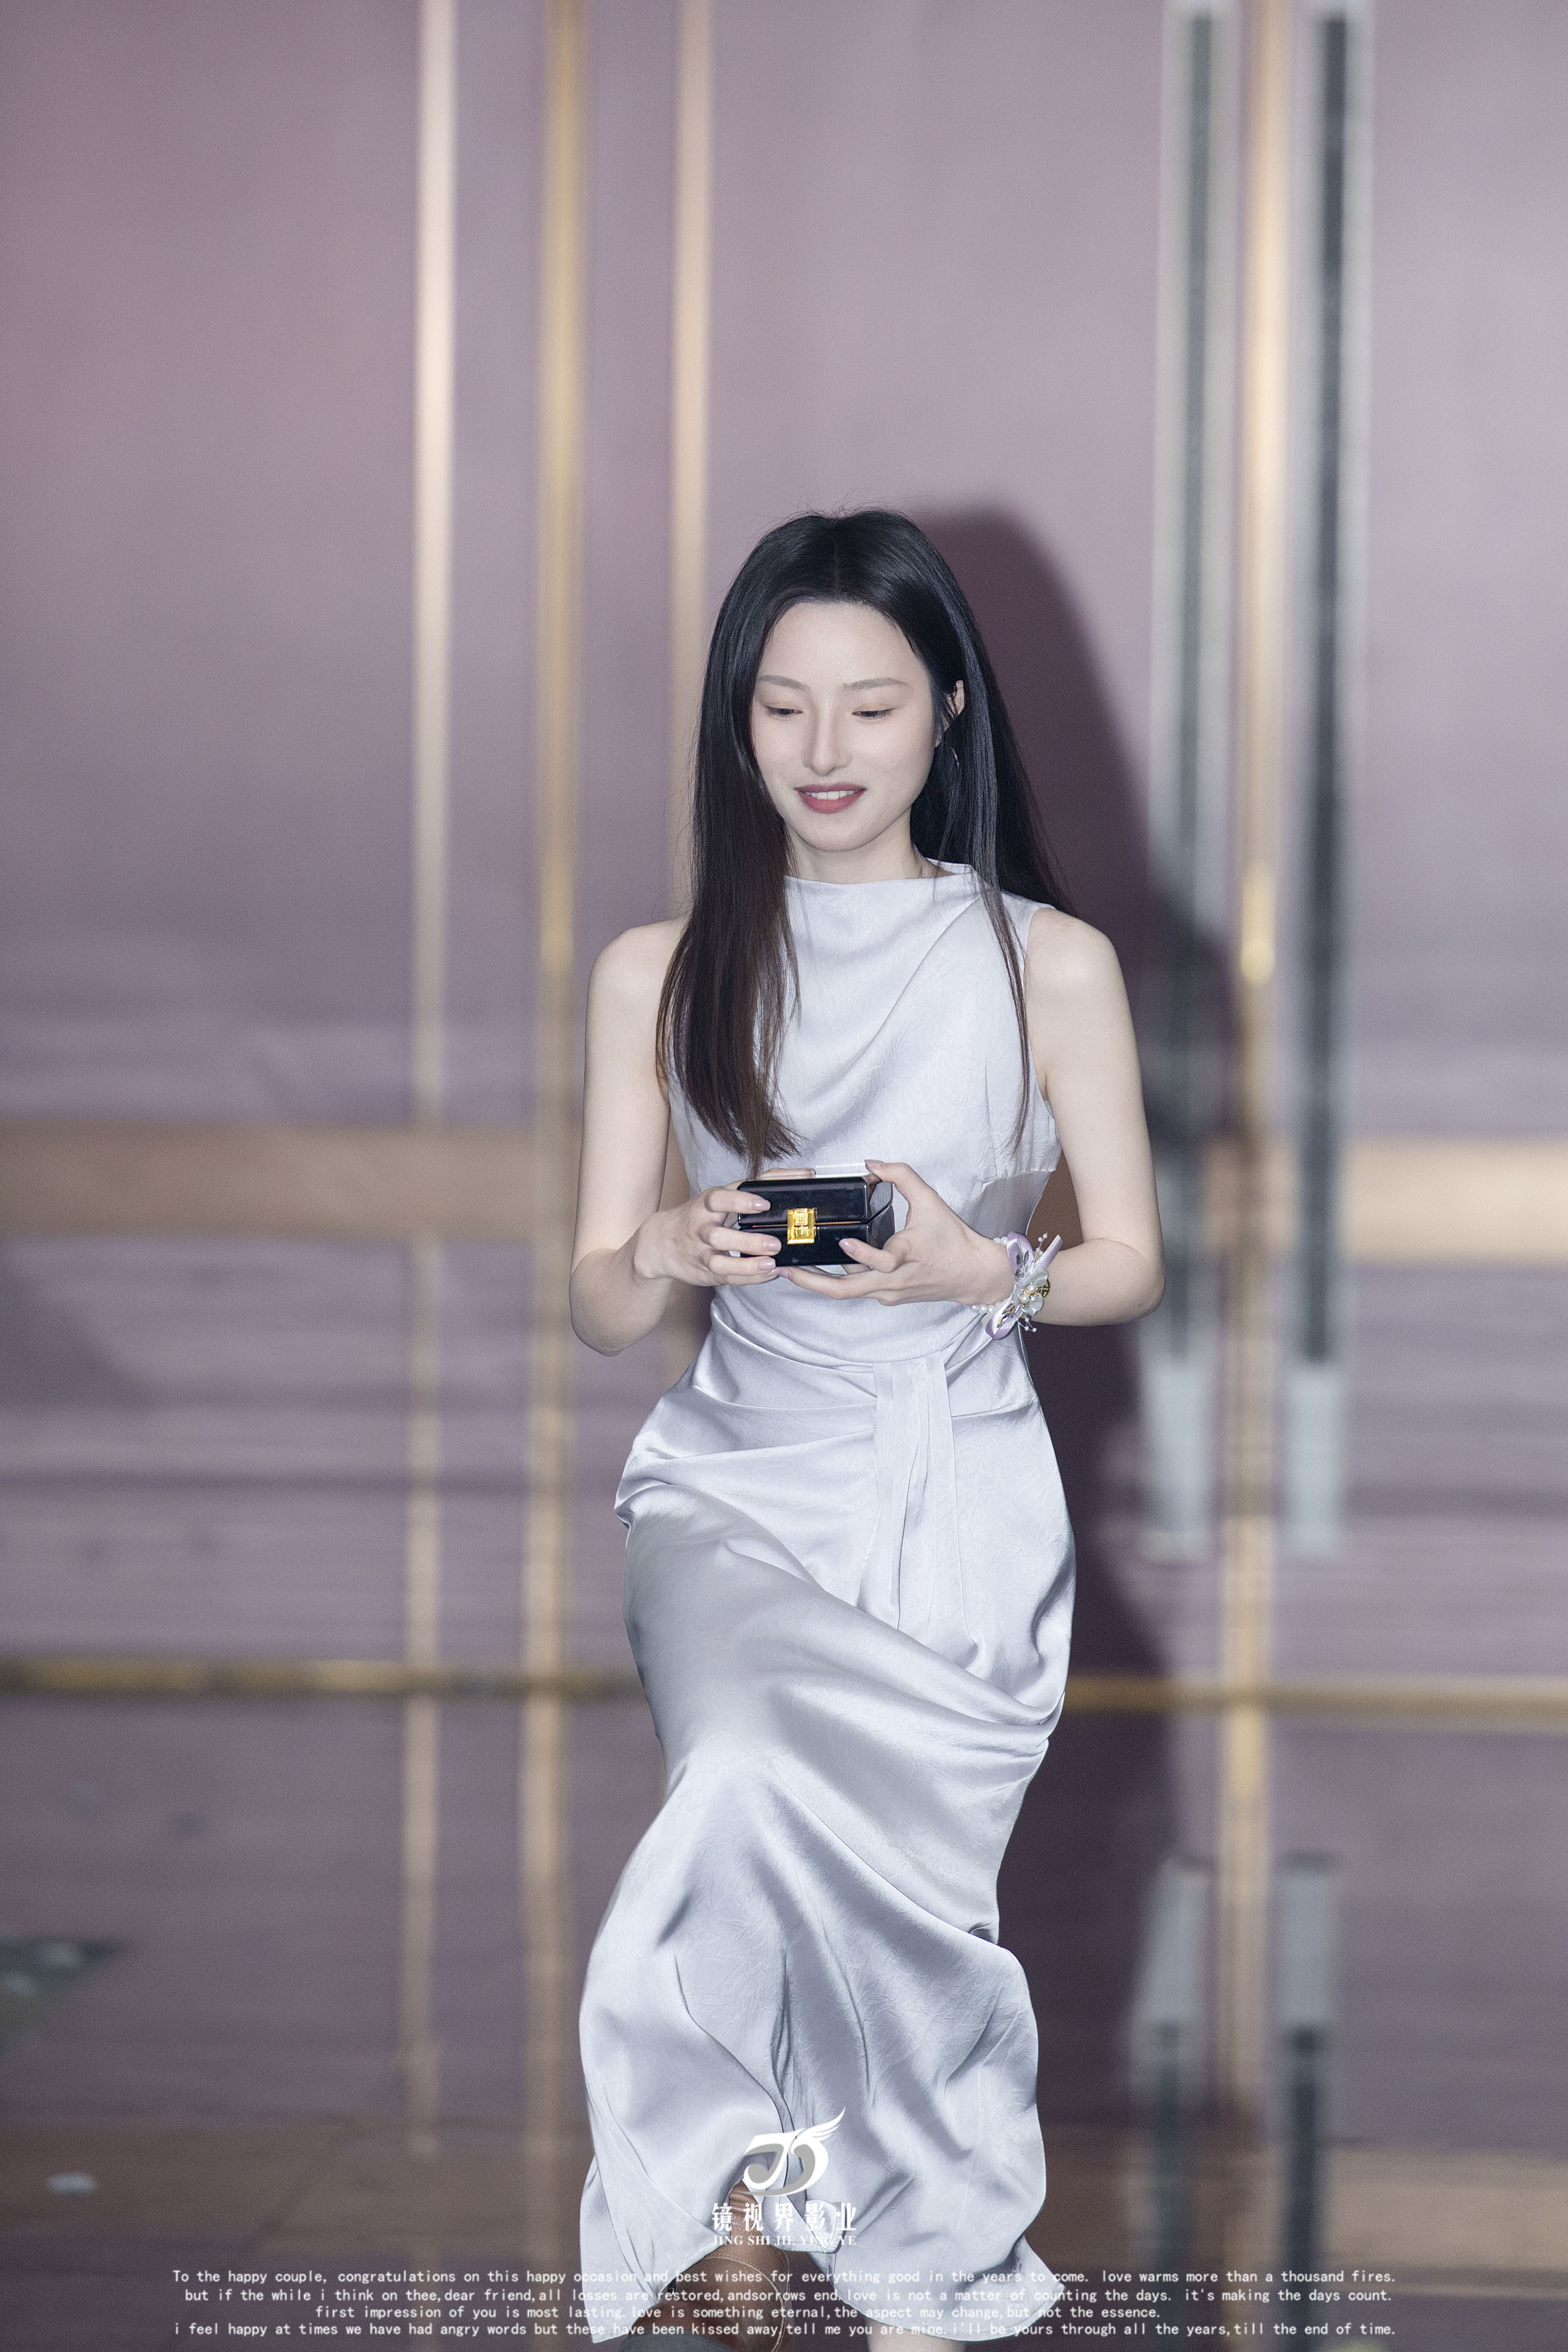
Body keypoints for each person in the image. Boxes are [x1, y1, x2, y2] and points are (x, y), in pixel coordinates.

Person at [569, 509, 1164, 2350]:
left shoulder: (1045, 963)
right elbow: (598, 1297)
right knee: (739, 1781)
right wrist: (663, 1245)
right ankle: (722, 2207)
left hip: (951, 1491)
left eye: (871, 706)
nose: (823, 751)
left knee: (906, 1912)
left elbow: (1128, 1264)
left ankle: (901, 2252)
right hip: (734, 1482)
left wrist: (977, 1267)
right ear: (735, 723)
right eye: (782, 708)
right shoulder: (657, 968)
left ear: (948, 713)